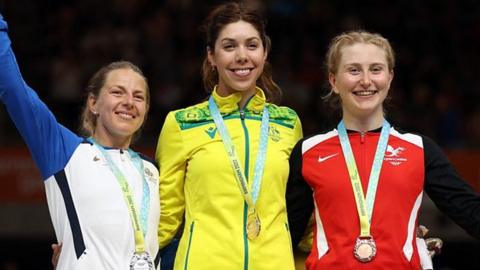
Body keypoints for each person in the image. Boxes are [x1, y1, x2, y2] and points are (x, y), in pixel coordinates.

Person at [286, 30, 480, 269]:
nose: (366, 80)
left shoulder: (419, 149)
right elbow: (285, 235)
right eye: (354, 70)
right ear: (334, 81)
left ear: (389, 78)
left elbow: (471, 212)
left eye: (376, 69)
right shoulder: (308, 152)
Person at [0, 14, 160, 270]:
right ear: (93, 103)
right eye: (117, 92)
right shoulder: (65, 153)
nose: (129, 102)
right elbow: (13, 88)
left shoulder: (153, 170)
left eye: (139, 96)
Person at [155, 2, 302, 269]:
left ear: (265, 53)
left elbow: (302, 209)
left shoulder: (288, 123)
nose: (242, 56)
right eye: (229, 46)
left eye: (252, 45)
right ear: (211, 55)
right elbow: (166, 215)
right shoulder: (181, 124)